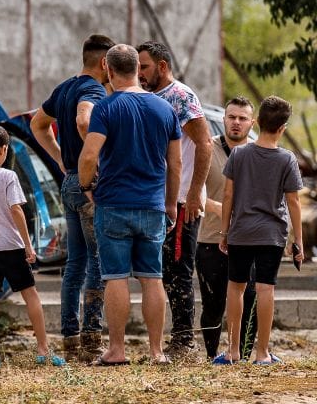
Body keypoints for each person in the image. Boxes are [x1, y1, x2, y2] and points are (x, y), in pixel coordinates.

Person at [79, 44, 181, 366]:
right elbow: (175, 164)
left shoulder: (106, 108)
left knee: (116, 277)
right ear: (139, 68)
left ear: (108, 69)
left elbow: (89, 155)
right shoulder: (165, 109)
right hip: (152, 205)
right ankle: (156, 352)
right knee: (153, 277)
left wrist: (87, 186)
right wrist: (170, 204)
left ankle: (117, 350)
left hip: (113, 204)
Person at [30, 33, 114, 360]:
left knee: (75, 263)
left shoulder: (64, 87)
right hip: (88, 183)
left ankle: (71, 340)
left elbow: (38, 124)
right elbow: (83, 119)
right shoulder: (93, 88)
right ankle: (92, 341)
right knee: (98, 260)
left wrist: (61, 158)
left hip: (69, 182)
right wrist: (89, 160)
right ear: (105, 63)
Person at [0, 124, 65, 369]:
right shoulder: (8, 176)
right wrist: (29, 245)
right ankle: (43, 350)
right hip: (10, 245)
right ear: (4, 150)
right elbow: (16, 210)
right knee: (30, 295)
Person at [215, 96, 305, 365]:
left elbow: (228, 194)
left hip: (241, 231)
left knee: (236, 288)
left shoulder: (239, 154)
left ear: (258, 122)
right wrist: (297, 239)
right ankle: (263, 353)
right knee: (266, 290)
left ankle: (232, 351)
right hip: (271, 235)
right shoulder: (287, 159)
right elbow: (294, 202)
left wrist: (224, 231)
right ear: (282, 128)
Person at [136, 42, 212, 356]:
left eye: (145, 67)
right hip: (157, 198)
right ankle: (173, 337)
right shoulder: (148, 98)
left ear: (163, 66)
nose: (140, 73)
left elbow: (205, 144)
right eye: (138, 66)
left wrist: (194, 194)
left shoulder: (181, 97)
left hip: (181, 200)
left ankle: (183, 340)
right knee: (163, 270)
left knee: (179, 270)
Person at [196, 98, 258, 360]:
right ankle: (212, 356)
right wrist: (224, 211)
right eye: (232, 117)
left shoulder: (260, 152)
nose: (236, 122)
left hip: (251, 241)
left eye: (242, 118)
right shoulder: (207, 148)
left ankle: (243, 356)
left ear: (251, 123)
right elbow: (195, 195)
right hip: (210, 238)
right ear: (224, 119)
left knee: (251, 300)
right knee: (213, 303)